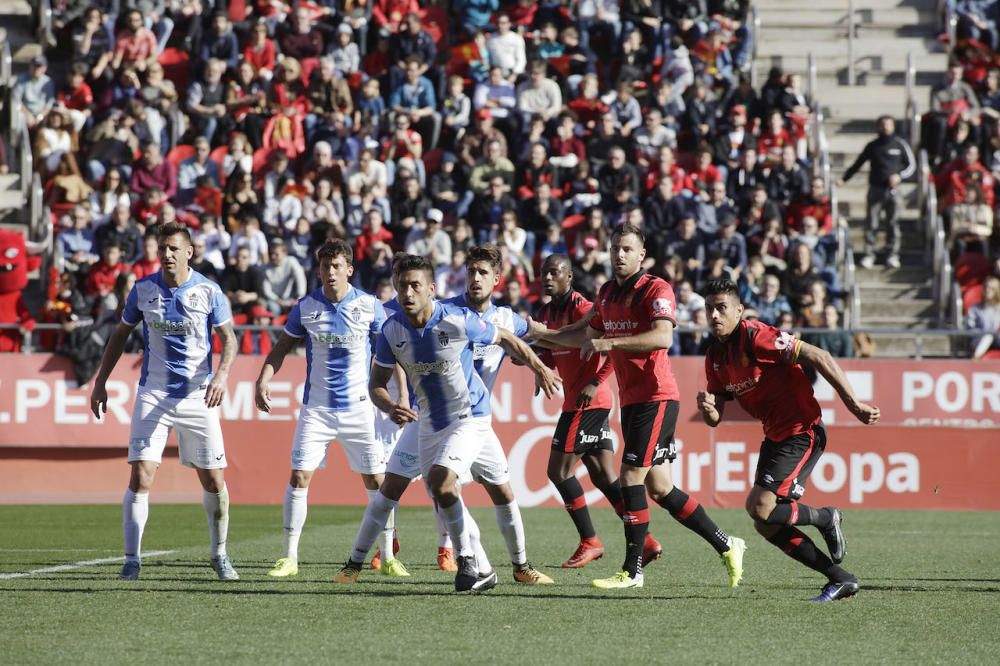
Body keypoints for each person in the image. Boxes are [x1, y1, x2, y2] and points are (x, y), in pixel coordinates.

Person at [527, 224, 745, 590]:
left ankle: (632, 571)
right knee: (661, 488)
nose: (619, 254)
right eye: (615, 248)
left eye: (627, 249)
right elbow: (584, 334)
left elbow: (663, 336)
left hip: (657, 397)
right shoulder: (607, 292)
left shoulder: (656, 288)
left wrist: (610, 344)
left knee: (630, 477)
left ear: (641, 255)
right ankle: (727, 543)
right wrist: (540, 335)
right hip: (632, 402)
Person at [334, 254, 559, 592]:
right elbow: (376, 384)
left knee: (484, 489)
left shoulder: (456, 320)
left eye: (415, 286)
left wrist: (539, 367)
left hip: (471, 418)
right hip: (427, 421)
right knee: (421, 489)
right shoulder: (391, 330)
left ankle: (501, 563)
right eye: (402, 285)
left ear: (431, 289)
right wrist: (391, 406)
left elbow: (506, 337)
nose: (407, 292)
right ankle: (358, 563)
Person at [699, 278, 879, 601]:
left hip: (802, 430)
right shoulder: (714, 356)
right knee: (765, 523)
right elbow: (716, 418)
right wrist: (709, 410)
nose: (714, 315)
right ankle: (840, 578)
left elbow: (820, 356)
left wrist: (854, 404)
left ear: (739, 310)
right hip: (775, 436)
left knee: (760, 507)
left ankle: (826, 517)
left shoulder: (756, 336)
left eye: (721, 308)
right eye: (709, 308)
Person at [89, 221, 239, 582]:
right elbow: (119, 335)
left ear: (189, 252)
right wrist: (101, 381)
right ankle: (131, 560)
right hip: (153, 394)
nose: (167, 254)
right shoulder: (143, 290)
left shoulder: (209, 291)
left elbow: (229, 339)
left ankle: (219, 554)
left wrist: (221, 376)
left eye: (174, 248)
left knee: (213, 480)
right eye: (162, 248)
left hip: (197, 396)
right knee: (141, 475)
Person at [255, 240, 405, 579]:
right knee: (299, 476)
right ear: (319, 270)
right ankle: (289, 557)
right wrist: (263, 378)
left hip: (360, 409)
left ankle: (388, 556)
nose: (331, 272)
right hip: (317, 410)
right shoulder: (306, 307)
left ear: (349, 269)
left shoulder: (369, 305)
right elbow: (281, 346)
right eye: (326, 266)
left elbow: (392, 352)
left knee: (378, 481)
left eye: (337, 266)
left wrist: (403, 397)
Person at [534, 254, 663, 568]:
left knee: (558, 471)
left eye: (554, 272)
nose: (547, 278)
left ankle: (590, 541)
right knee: (604, 477)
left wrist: (595, 381)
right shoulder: (545, 313)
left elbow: (612, 347)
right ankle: (646, 542)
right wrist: (538, 365)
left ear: (569, 276)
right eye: (544, 273)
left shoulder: (584, 309)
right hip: (578, 401)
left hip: (588, 402)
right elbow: (551, 350)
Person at [440, 246, 556, 584]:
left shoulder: (506, 319)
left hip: (478, 421)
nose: (475, 278)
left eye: (483, 273)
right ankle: (474, 562)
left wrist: (588, 335)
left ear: (496, 280)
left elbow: (541, 334)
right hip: (445, 421)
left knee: (503, 492)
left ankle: (521, 567)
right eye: (471, 272)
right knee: (444, 488)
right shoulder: (446, 312)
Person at [841, 116, 915, 269]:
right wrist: (844, 179)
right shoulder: (873, 146)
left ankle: (892, 254)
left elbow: (911, 166)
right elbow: (858, 164)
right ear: (878, 127)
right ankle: (869, 254)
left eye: (888, 124)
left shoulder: (900, 144)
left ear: (893, 126)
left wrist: (899, 176)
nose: (885, 127)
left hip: (894, 191)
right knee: (871, 224)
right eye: (883, 125)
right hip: (875, 189)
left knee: (893, 224)